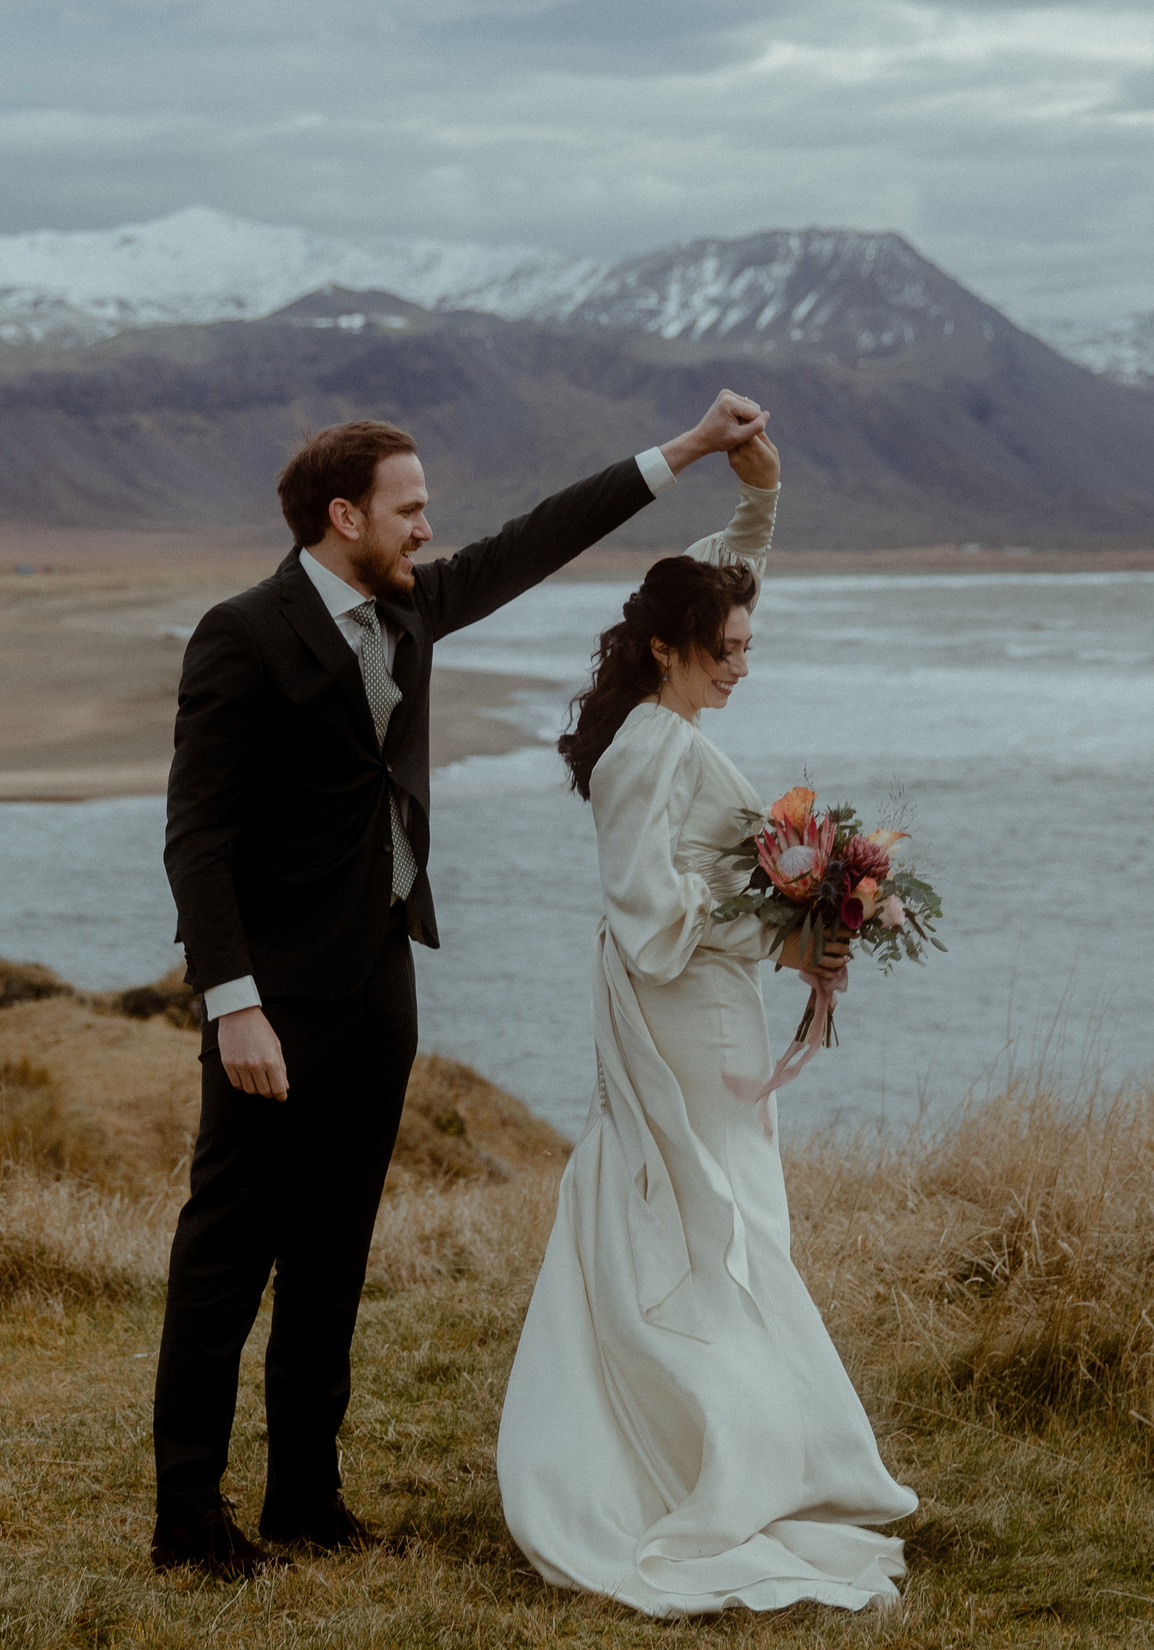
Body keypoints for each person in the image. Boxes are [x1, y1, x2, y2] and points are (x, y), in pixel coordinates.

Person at [154, 391, 775, 1579]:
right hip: (274, 994)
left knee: (336, 1244)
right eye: (410, 509)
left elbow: (537, 538)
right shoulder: (241, 634)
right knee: (230, 1247)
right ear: (344, 517)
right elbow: (196, 835)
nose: (429, 528)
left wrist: (687, 453)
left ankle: (303, 1498)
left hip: (381, 972)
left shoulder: (411, 611)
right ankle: (187, 1518)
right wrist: (231, 998)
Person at [495, 431, 920, 1616]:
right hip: (685, 1013)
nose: (743, 666)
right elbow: (648, 918)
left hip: (709, 1004)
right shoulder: (648, 753)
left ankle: (739, 1438)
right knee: (717, 1226)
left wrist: (764, 494)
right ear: (667, 651)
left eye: (746, 647)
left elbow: (720, 576)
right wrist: (783, 928)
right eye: (726, 653)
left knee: (725, 1219)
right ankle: (709, 1459)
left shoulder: (668, 711)